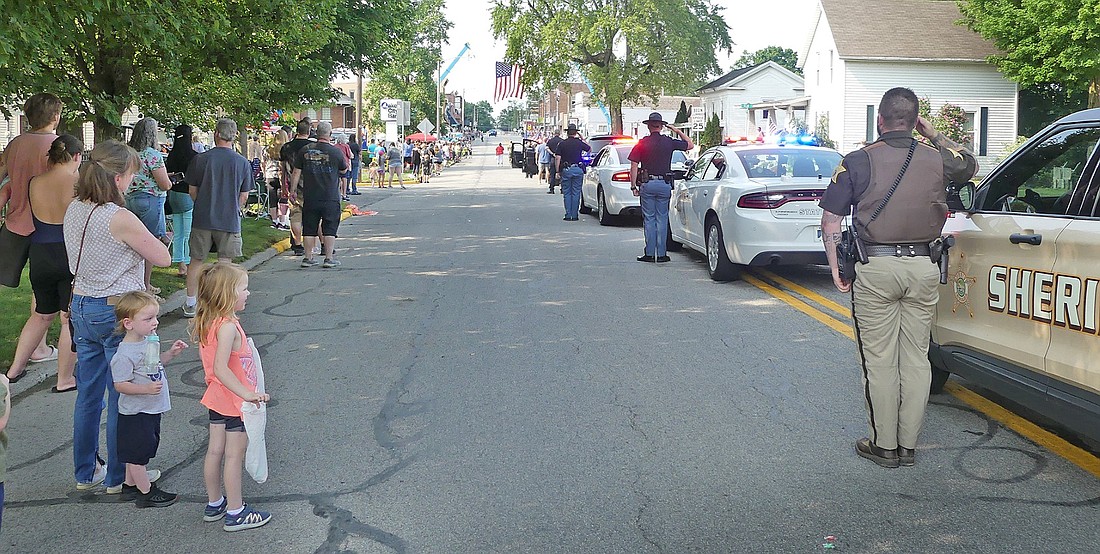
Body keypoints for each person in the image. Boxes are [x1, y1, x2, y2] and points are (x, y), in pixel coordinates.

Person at [819, 87, 978, 468]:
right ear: (915, 120)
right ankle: (908, 446)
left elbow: (831, 221)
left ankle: (884, 445)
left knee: (879, 360)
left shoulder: (857, 160)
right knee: (917, 359)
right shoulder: (937, 158)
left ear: (880, 119)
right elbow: (969, 165)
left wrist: (837, 268)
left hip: (877, 269)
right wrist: (934, 134)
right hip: (924, 267)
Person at [66, 140, 171, 493]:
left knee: (88, 395)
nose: (131, 183)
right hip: (116, 309)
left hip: (81, 304)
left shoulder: (74, 208)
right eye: (129, 176)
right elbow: (162, 258)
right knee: (122, 395)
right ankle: (118, 475)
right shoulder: (120, 217)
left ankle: (85, 471)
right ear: (115, 177)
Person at [190, 262, 272, 532]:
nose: (248, 294)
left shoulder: (210, 322)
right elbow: (220, 368)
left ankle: (215, 503)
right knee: (234, 455)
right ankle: (236, 511)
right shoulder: (227, 327)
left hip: (217, 398)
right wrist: (247, 394)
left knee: (215, 450)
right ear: (227, 294)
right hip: (236, 401)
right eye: (243, 289)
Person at [4, 135, 82, 392]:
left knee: (41, 315)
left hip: (40, 252)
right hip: (68, 253)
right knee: (68, 318)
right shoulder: (78, 183)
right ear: (76, 157)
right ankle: (64, 379)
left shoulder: (34, 182)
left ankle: (13, 371)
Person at [0, 93, 67, 370]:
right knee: (43, 287)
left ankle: (36, 347)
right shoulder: (58, 145)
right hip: (48, 224)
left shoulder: (15, 143)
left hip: (15, 222)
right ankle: (38, 347)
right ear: (55, 116)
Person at [110, 290, 187, 507]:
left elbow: (153, 365)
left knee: (142, 448)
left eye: (155, 317)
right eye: (148, 319)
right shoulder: (124, 355)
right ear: (128, 323)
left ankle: (130, 485)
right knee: (137, 455)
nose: (155, 323)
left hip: (151, 408)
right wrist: (145, 389)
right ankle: (146, 492)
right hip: (136, 412)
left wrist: (169, 354)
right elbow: (120, 385)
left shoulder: (147, 342)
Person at [181, 118, 253, 318]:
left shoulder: (200, 159)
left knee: (196, 260)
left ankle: (191, 302)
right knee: (225, 263)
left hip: (203, 217)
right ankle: (223, 302)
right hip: (229, 219)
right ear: (234, 136)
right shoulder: (241, 162)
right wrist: (235, 207)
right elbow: (244, 195)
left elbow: (192, 191)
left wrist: (203, 203)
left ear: (216, 134)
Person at [628, 112, 693, 263]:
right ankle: (662, 254)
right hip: (664, 185)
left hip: (648, 184)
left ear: (649, 126)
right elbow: (690, 145)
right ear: (662, 126)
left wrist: (633, 186)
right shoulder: (669, 142)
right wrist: (676, 131)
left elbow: (633, 164)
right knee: (662, 218)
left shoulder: (642, 143)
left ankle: (650, 254)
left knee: (649, 219)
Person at [289, 121, 348, 268]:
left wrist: (292, 191)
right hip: (330, 196)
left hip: (310, 196)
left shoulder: (305, 150)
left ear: (316, 132)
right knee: (330, 227)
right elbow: (344, 170)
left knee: (309, 227)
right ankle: (328, 258)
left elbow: (296, 172)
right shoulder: (336, 152)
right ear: (329, 134)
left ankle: (308, 258)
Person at [127, 117, 174, 297]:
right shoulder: (152, 154)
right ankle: (145, 285)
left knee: (133, 244)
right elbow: (164, 184)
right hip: (150, 199)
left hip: (130, 198)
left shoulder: (129, 153)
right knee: (149, 243)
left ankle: (134, 282)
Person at [165, 125, 198, 277]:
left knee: (178, 232)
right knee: (188, 232)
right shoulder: (193, 156)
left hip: (173, 195)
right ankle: (187, 263)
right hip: (187, 194)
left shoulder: (171, 155)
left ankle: (179, 263)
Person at [280, 119, 314, 256]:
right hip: (311, 184)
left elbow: (282, 169)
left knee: (295, 215)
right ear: (309, 131)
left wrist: (284, 186)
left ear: (296, 131)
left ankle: (298, 244)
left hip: (292, 184)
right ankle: (319, 245)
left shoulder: (286, 147)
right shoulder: (312, 146)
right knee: (313, 216)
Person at [554, 123, 590, 221]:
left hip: (566, 169)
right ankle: (574, 215)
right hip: (578, 169)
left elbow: (557, 158)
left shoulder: (562, 144)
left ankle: (568, 214)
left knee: (567, 192)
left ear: (567, 133)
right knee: (576, 192)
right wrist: (582, 138)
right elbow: (589, 148)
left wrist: (557, 171)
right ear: (575, 132)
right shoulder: (579, 143)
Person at [264, 129, 289, 230]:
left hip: (270, 175)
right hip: (281, 176)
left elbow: (264, 162)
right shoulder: (286, 149)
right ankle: (282, 222)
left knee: (272, 200)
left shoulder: (269, 149)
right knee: (283, 199)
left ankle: (274, 221)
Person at [334, 134, 353, 200]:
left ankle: (338, 193)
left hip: (336, 164)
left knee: (338, 179)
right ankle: (344, 194)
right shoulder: (346, 146)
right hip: (345, 163)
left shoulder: (335, 146)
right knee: (344, 178)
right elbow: (350, 155)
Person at [546, 128, 564, 194]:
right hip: (561, 159)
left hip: (553, 159)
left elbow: (547, 148)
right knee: (562, 174)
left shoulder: (550, 141)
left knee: (552, 174)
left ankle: (551, 189)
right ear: (559, 133)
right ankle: (562, 189)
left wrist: (552, 153)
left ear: (554, 133)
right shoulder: (562, 141)